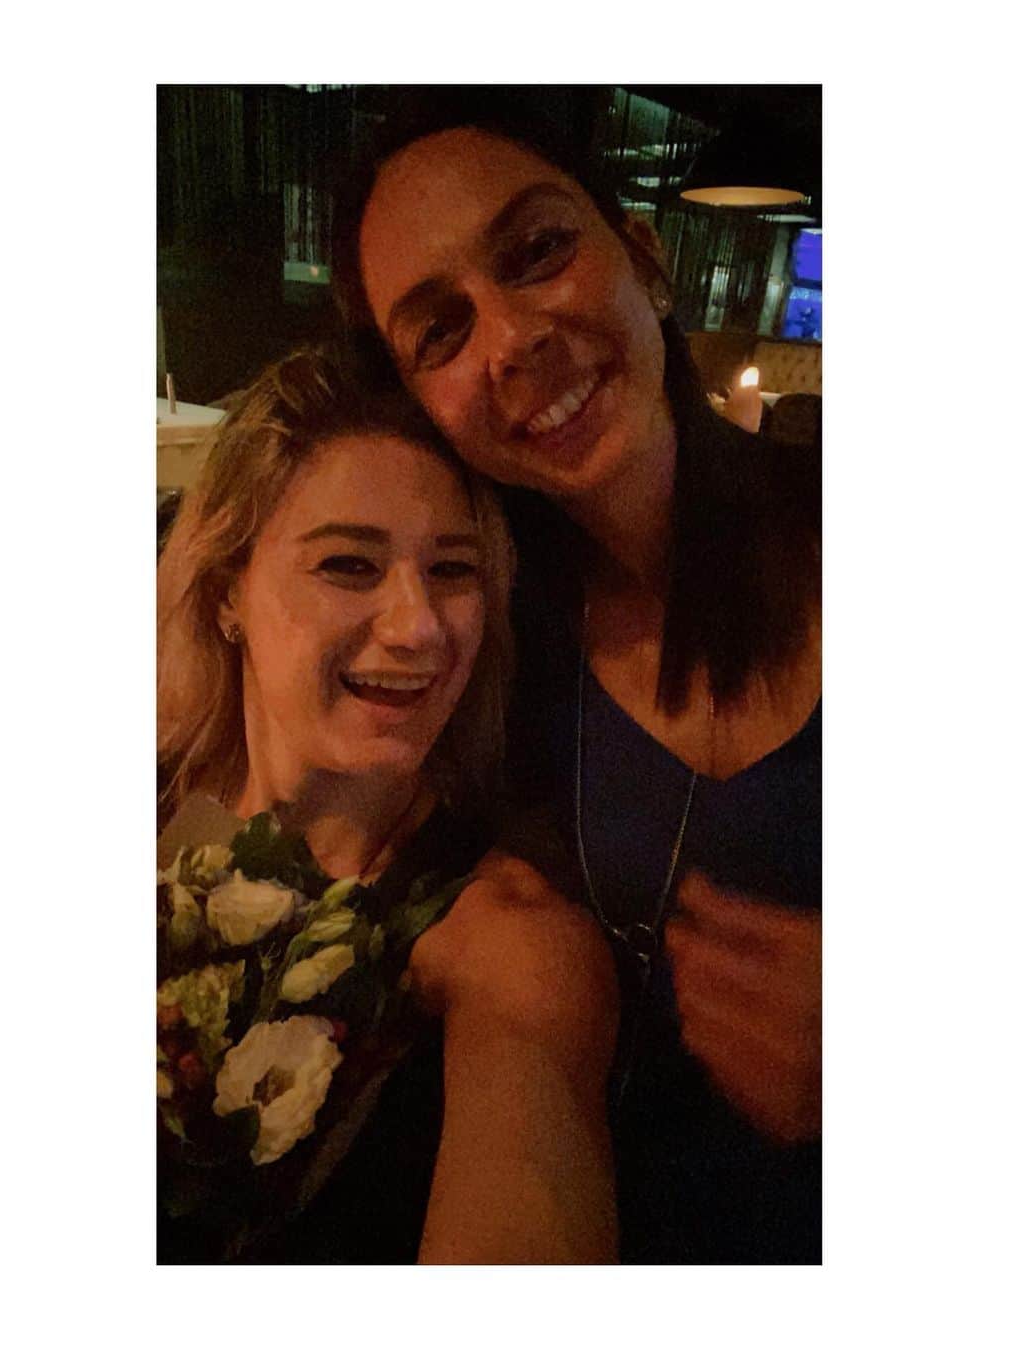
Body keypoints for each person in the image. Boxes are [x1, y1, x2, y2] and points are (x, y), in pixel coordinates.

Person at [332, 94, 822, 1263]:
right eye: (440, 331)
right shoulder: (489, 659)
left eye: (537, 251)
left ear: (644, 259)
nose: (510, 341)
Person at [157, 341, 618, 1263]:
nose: (419, 627)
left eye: (453, 570)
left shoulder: (508, 947)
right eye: (349, 565)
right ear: (226, 592)